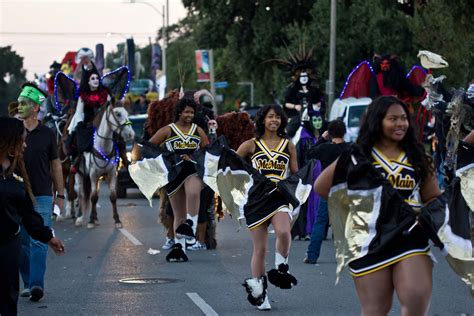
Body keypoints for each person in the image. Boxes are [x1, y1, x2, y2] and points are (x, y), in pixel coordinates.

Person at [314, 96, 441, 315]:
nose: (400, 123)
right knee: (375, 309)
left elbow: (432, 197)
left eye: (403, 118)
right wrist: (355, 211)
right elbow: (321, 186)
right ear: (377, 121)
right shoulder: (357, 157)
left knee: (416, 298)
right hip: (369, 240)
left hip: (409, 235)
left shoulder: (418, 156)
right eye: (393, 118)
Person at [0, 117, 65, 316]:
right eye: (22, 140)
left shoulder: (16, 171)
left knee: (9, 297)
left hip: (9, 244)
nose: (25, 145)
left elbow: (27, 212)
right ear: (9, 141)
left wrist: (47, 236)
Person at [237, 105, 299, 310]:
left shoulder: (288, 145)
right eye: (270, 117)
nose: (274, 120)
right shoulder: (250, 145)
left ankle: (281, 268)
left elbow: (296, 175)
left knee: (283, 231)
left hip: (280, 197)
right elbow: (232, 167)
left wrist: (295, 194)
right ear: (262, 120)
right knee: (260, 249)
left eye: (278, 117)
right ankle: (260, 293)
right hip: (256, 200)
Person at [16, 82, 65, 302]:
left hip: (43, 194)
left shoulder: (47, 134)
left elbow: (55, 165)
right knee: (21, 241)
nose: (20, 106)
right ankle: (27, 282)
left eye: (24, 103)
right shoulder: (13, 131)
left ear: (36, 107)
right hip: (17, 194)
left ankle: (36, 284)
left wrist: (61, 195)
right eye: (18, 103)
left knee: (38, 239)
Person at [149, 97, 209, 261]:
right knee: (178, 214)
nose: (189, 115)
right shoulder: (168, 130)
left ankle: (191, 226)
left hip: (192, 170)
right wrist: (168, 159)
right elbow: (150, 146)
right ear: (179, 112)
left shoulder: (197, 130)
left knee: (193, 191)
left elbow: (207, 150)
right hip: (174, 175)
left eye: (192, 112)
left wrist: (193, 156)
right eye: (186, 112)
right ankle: (180, 248)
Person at [304, 119, 350, 264]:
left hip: (328, 190)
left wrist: (321, 139)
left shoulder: (325, 148)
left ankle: (312, 256)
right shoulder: (350, 148)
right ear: (345, 132)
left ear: (329, 134)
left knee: (320, 222)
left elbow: (309, 153)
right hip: (346, 189)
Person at [67, 63, 110, 173]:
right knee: (76, 137)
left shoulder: (105, 94)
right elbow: (79, 112)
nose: (96, 80)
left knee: (117, 134)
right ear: (88, 81)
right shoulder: (82, 96)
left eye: (97, 78)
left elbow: (110, 108)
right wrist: (81, 124)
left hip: (103, 121)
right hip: (86, 122)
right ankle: (76, 159)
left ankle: (123, 158)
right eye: (93, 78)